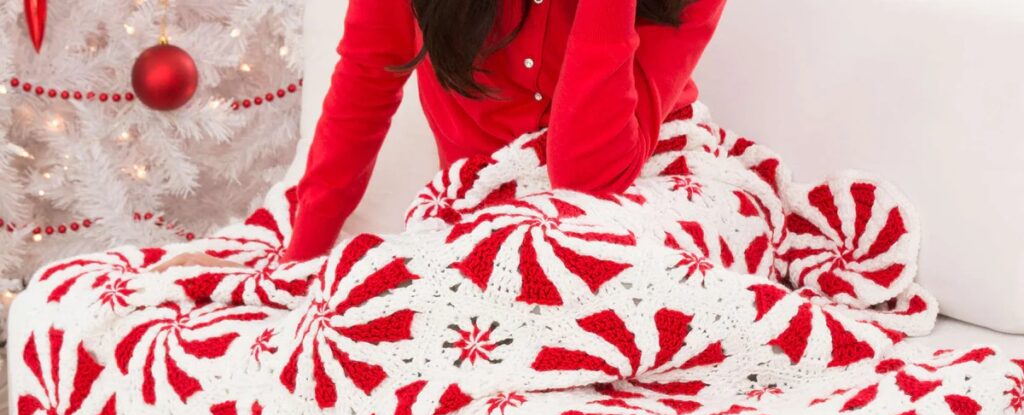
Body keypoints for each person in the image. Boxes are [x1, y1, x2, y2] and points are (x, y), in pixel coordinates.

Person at [157, 0, 727, 271]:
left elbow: (587, 178)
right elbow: (367, 79)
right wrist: (299, 260)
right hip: (484, 219)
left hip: (645, 190)